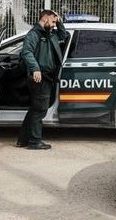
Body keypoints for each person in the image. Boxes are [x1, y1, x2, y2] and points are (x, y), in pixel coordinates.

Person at [16, 9, 68, 150]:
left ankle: (23, 139)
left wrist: (59, 21)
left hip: (48, 77)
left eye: (54, 23)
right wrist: (36, 68)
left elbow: (64, 35)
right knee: (40, 110)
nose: (53, 25)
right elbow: (26, 52)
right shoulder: (34, 34)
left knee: (35, 109)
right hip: (39, 77)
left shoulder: (51, 34)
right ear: (44, 19)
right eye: (52, 21)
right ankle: (34, 141)